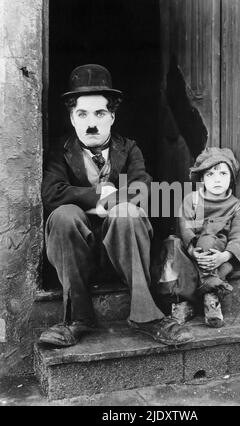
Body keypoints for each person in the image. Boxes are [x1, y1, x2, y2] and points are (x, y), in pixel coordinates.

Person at [39, 64, 193, 347]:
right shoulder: (60, 151)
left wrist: (114, 202)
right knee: (63, 215)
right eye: (81, 114)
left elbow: (144, 190)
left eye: (99, 113)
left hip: (125, 254)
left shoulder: (129, 148)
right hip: (77, 257)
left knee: (126, 212)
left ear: (112, 115)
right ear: (72, 119)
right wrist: (98, 198)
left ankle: (146, 315)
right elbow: (51, 193)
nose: (91, 123)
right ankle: (77, 319)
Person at [157, 147, 240, 328]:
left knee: (207, 239)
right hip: (192, 254)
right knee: (172, 244)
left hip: (217, 256)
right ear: (202, 179)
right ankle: (198, 297)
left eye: (223, 173)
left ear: (231, 178)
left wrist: (224, 256)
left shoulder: (236, 206)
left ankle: (209, 298)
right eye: (210, 174)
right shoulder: (192, 200)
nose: (217, 179)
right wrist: (192, 250)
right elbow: (184, 228)